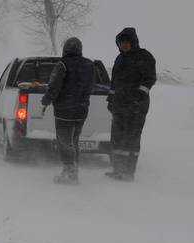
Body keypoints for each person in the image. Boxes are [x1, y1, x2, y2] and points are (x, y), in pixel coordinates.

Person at [41, 37, 96, 185]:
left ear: (66, 49)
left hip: (64, 111)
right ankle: (74, 171)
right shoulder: (89, 65)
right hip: (81, 111)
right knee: (74, 141)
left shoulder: (62, 65)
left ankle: (69, 172)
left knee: (64, 142)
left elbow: (54, 87)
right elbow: (91, 86)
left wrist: (46, 101)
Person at [107, 27, 156, 181]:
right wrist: (110, 98)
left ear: (133, 42)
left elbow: (149, 79)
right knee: (117, 138)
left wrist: (139, 96)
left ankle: (128, 172)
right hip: (119, 105)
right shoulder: (119, 59)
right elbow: (114, 82)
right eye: (121, 43)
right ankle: (117, 169)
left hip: (137, 107)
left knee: (132, 138)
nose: (123, 45)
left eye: (126, 43)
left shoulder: (145, 57)